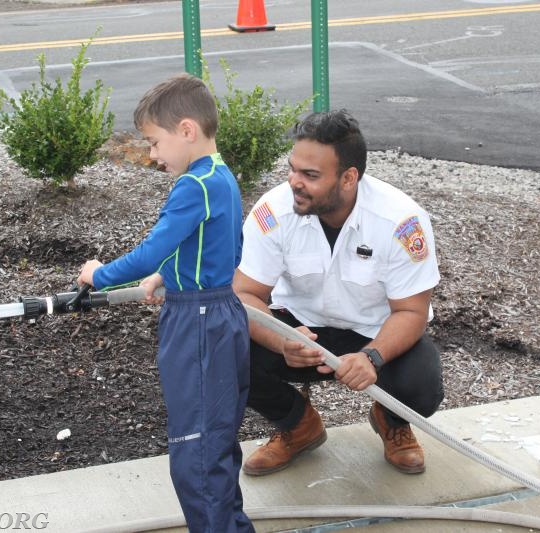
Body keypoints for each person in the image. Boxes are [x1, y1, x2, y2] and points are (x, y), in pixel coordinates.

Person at [77, 74, 254, 533]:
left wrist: (100, 275)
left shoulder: (192, 186)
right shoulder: (220, 176)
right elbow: (218, 249)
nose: (153, 155)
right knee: (216, 443)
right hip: (219, 312)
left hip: (197, 323)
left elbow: (152, 248)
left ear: (187, 131)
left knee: (194, 455)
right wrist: (167, 277)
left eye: (155, 142)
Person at [233, 109, 444, 477]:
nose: (294, 182)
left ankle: (391, 419)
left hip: (375, 334)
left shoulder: (401, 221)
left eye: (310, 175)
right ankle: (298, 425)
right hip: (299, 331)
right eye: (293, 168)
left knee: (422, 384)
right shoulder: (273, 211)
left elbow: (411, 313)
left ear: (349, 178)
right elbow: (245, 294)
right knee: (220, 343)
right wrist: (281, 340)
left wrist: (372, 358)